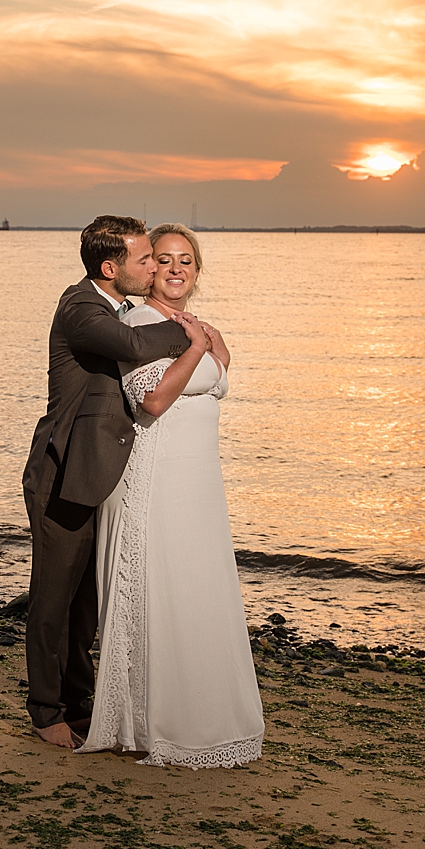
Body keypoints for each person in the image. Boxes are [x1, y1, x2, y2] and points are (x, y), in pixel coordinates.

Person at [77, 223, 265, 768]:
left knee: (198, 584)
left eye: (187, 260)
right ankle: (150, 720)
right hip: (156, 473)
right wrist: (202, 348)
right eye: (164, 259)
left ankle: (203, 712)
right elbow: (153, 400)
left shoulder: (193, 324)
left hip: (198, 478)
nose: (177, 269)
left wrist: (210, 346)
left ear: (198, 270)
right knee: (164, 584)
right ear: (147, 268)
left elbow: (216, 373)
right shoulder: (137, 321)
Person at [21, 215, 207, 749]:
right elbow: (130, 344)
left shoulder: (120, 305)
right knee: (54, 599)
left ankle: (80, 704)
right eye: (146, 259)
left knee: (85, 602)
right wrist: (192, 330)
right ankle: (46, 711)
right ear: (111, 267)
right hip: (61, 472)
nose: (154, 267)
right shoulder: (81, 308)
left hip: (99, 472)